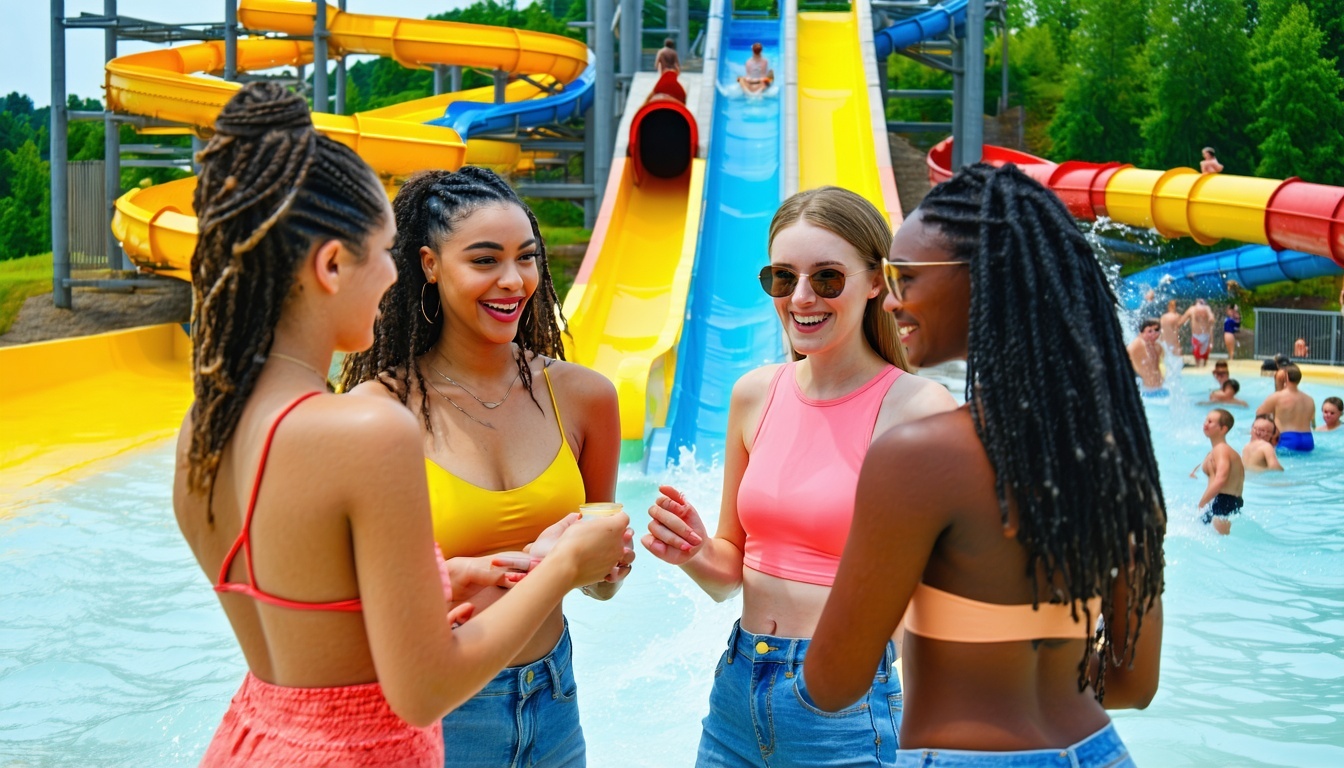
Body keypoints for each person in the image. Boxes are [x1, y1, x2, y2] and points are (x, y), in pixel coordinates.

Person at [174, 83, 626, 767]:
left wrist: (456, 572)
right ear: (332, 265)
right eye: (386, 253)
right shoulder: (369, 428)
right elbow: (424, 690)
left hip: (256, 738)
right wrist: (562, 563)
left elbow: (311, 602)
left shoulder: (204, 428)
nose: (392, 278)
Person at [803, 164, 1166, 767]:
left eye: (907, 278)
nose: (891, 300)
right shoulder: (1118, 451)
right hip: (1098, 750)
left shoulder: (917, 458)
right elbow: (1133, 684)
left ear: (985, 282)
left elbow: (833, 683)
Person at [642, 186, 958, 767]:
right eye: (784, 278)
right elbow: (729, 573)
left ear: (875, 282)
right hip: (739, 688)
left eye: (827, 278)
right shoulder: (754, 396)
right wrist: (691, 550)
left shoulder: (917, 409)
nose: (802, 297)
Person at [341, 166, 629, 767]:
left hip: (553, 701)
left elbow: (599, 586)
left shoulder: (584, 397)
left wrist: (610, 565)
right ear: (428, 264)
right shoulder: (374, 414)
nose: (513, 280)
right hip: (441, 715)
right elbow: (349, 605)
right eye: (484, 260)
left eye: (527, 258)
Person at [1194, 409, 1245, 535]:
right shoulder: (1219, 451)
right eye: (1206, 420)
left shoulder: (1221, 450)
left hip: (1222, 502)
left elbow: (1221, 479)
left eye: (1210, 422)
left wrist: (1201, 505)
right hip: (1229, 502)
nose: (1205, 424)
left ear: (1223, 429)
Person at [1256, 363, 1317, 452]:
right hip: (1308, 439)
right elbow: (1313, 423)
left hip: (1288, 439)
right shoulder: (1309, 399)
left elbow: (1259, 414)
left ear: (1286, 378)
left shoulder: (1277, 397)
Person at [1128, 318, 1165, 394]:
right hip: (1147, 392)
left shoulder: (1157, 347)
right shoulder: (1137, 344)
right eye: (1150, 331)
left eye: (1156, 330)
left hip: (1160, 390)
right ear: (1141, 333)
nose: (1154, 334)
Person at [1182, 298, 1216, 366]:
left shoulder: (1203, 310)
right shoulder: (1194, 310)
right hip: (1200, 337)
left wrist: (1211, 341)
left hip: (1200, 337)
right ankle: (1201, 366)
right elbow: (1182, 321)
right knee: (1201, 360)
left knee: (1200, 360)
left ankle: (1200, 366)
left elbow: (1211, 323)